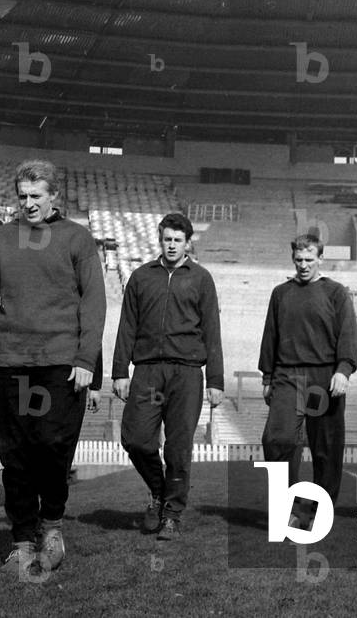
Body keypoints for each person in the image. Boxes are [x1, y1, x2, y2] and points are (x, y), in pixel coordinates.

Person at [0, 159, 106, 576]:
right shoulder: (1, 240)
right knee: (17, 456)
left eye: (36, 196)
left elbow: (93, 305)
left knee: (52, 448)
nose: (28, 204)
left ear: (54, 197)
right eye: (22, 196)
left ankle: (53, 525)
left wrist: (86, 360)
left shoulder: (77, 239)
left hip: (61, 365)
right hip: (13, 363)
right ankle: (23, 541)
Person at [112, 212, 224, 541]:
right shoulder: (141, 277)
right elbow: (126, 327)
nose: (171, 245)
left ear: (187, 243)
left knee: (178, 448)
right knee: (135, 439)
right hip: (147, 370)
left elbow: (212, 332)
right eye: (166, 239)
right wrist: (120, 370)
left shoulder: (201, 279)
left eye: (177, 240)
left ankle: (172, 514)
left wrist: (215, 380)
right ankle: (159, 492)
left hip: (187, 373)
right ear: (159, 240)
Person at [259, 234, 357, 528]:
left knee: (325, 447)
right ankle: (286, 507)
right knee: (277, 439)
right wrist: (267, 376)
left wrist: (343, 369)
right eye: (299, 260)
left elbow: (349, 335)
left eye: (309, 259)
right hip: (289, 376)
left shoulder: (335, 292)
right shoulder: (281, 293)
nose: (303, 265)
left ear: (320, 259)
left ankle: (320, 510)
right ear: (293, 259)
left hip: (323, 378)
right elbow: (271, 336)